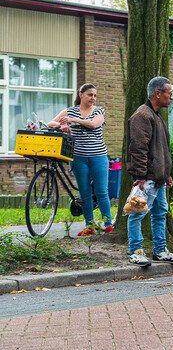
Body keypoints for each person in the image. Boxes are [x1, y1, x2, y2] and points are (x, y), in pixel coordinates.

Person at [126, 76, 173, 267]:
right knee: (137, 215)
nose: (172, 97)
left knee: (160, 214)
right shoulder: (143, 116)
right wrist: (140, 176)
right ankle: (135, 252)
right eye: (170, 93)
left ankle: (160, 250)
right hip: (147, 179)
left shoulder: (155, 116)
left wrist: (167, 174)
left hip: (158, 179)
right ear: (158, 94)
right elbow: (138, 148)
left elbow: (161, 150)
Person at [49, 83, 113, 236]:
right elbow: (51, 123)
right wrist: (61, 127)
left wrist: (73, 120)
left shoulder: (99, 111)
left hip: (98, 156)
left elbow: (93, 124)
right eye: (90, 94)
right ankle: (89, 226)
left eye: (95, 95)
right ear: (81, 94)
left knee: (101, 191)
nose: (93, 98)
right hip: (78, 157)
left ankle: (108, 224)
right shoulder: (69, 111)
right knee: (84, 193)